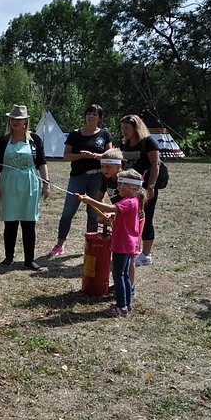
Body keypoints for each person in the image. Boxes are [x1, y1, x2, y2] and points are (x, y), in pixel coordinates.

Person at [75, 168, 146, 317]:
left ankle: (121, 307)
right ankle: (127, 304)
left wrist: (90, 201)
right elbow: (119, 215)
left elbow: (110, 207)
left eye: (121, 185)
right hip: (127, 243)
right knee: (124, 274)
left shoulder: (128, 201)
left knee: (118, 275)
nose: (118, 188)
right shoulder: (134, 201)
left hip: (122, 243)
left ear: (131, 187)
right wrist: (114, 218)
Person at [48, 104, 113, 257]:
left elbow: (110, 155)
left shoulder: (104, 134)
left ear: (100, 118)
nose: (91, 117)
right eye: (89, 114)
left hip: (97, 177)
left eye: (95, 114)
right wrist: (81, 156)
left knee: (93, 211)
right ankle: (60, 245)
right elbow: (66, 156)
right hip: (78, 177)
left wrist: (96, 156)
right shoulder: (75, 134)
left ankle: (91, 243)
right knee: (68, 211)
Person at [0, 105, 51, 270]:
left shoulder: (35, 140)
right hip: (9, 182)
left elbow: (41, 163)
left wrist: (46, 184)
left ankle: (29, 259)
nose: (15, 122)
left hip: (29, 183)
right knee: (10, 221)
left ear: (26, 120)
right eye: (13, 119)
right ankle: (8, 257)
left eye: (19, 119)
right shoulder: (3, 140)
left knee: (28, 221)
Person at [95, 147, 139, 294]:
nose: (104, 169)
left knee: (129, 255)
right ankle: (121, 285)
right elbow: (100, 196)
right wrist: (100, 214)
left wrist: (110, 214)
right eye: (102, 166)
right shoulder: (105, 178)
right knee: (120, 253)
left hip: (133, 219)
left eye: (108, 166)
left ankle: (129, 287)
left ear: (119, 166)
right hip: (119, 216)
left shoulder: (125, 181)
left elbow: (126, 206)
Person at [120, 114, 160, 266]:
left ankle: (146, 255)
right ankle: (133, 250)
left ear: (136, 128)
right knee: (132, 219)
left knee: (146, 218)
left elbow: (155, 165)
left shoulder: (148, 142)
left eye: (127, 128)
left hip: (144, 188)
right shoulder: (125, 143)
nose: (124, 131)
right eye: (122, 128)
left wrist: (150, 187)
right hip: (129, 189)